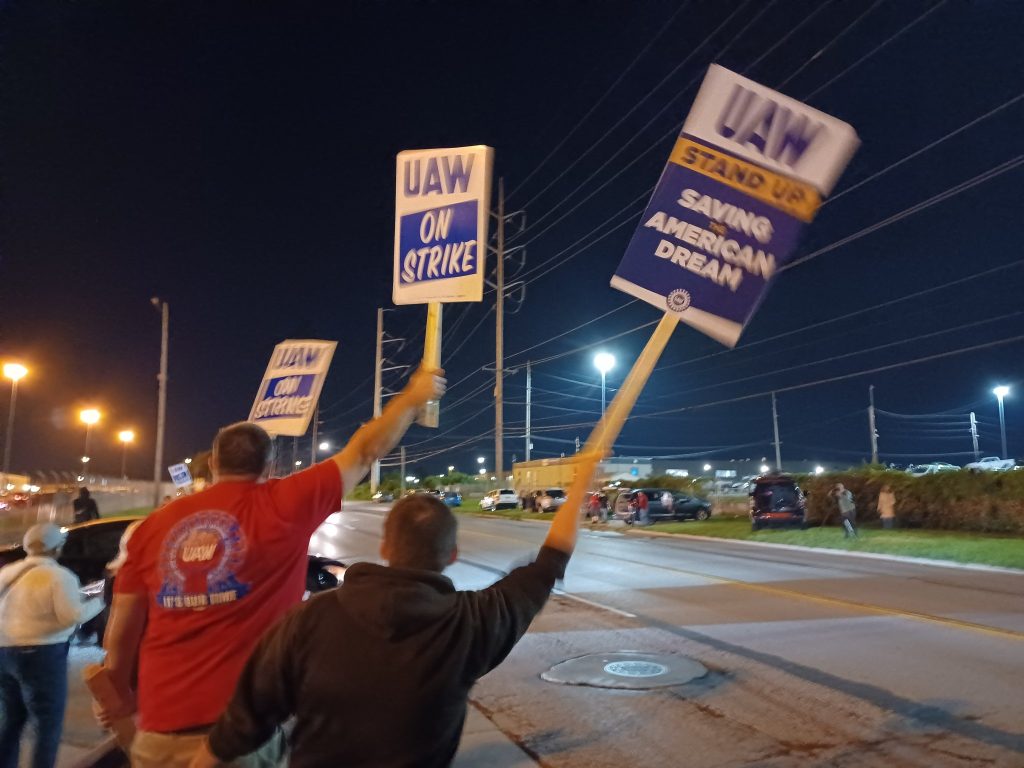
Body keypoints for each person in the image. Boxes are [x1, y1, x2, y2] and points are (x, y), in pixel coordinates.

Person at [97, 365, 445, 768]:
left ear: (213, 466)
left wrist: (118, 692)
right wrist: (412, 397)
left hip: (157, 735)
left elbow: (121, 632)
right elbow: (364, 451)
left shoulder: (151, 528)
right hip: (243, 737)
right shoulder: (283, 504)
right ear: (269, 467)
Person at [188, 452, 598, 768]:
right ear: (452, 553)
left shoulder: (309, 619)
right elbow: (550, 561)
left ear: (385, 548)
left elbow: (239, 727)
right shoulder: (470, 623)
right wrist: (581, 482)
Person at [0, 523, 104, 768]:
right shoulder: (59, 576)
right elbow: (72, 615)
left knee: (10, 719)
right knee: (46, 723)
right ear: (58, 548)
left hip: (4, 650)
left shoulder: (7, 573)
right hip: (42, 654)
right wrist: (99, 601)